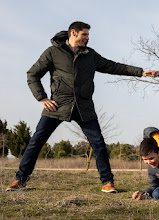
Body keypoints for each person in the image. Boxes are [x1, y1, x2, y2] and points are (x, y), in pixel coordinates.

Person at [6, 21, 146, 193]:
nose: (87, 38)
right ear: (73, 33)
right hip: (57, 105)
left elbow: (114, 66)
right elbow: (32, 74)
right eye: (84, 35)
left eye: (87, 35)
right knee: (36, 142)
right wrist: (41, 98)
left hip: (84, 106)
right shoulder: (53, 52)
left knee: (99, 144)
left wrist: (139, 71)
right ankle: (20, 180)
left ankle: (107, 182)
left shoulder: (90, 55)